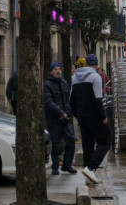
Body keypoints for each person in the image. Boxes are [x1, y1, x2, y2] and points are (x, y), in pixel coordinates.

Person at [70, 53, 110, 185]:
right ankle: (90, 168)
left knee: (87, 145)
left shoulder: (75, 78)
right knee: (105, 142)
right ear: (97, 64)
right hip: (95, 116)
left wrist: (78, 115)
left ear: (86, 63)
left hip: (82, 117)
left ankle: (88, 175)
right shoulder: (95, 77)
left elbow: (72, 102)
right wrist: (103, 117)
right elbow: (98, 100)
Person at [44, 62, 77, 175]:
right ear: (51, 71)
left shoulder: (64, 83)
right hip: (54, 119)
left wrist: (69, 112)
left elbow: (69, 100)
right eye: (55, 69)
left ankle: (67, 165)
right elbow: (48, 102)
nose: (58, 71)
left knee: (71, 140)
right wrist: (60, 113)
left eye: (59, 69)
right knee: (55, 143)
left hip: (66, 118)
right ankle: (55, 166)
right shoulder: (47, 84)